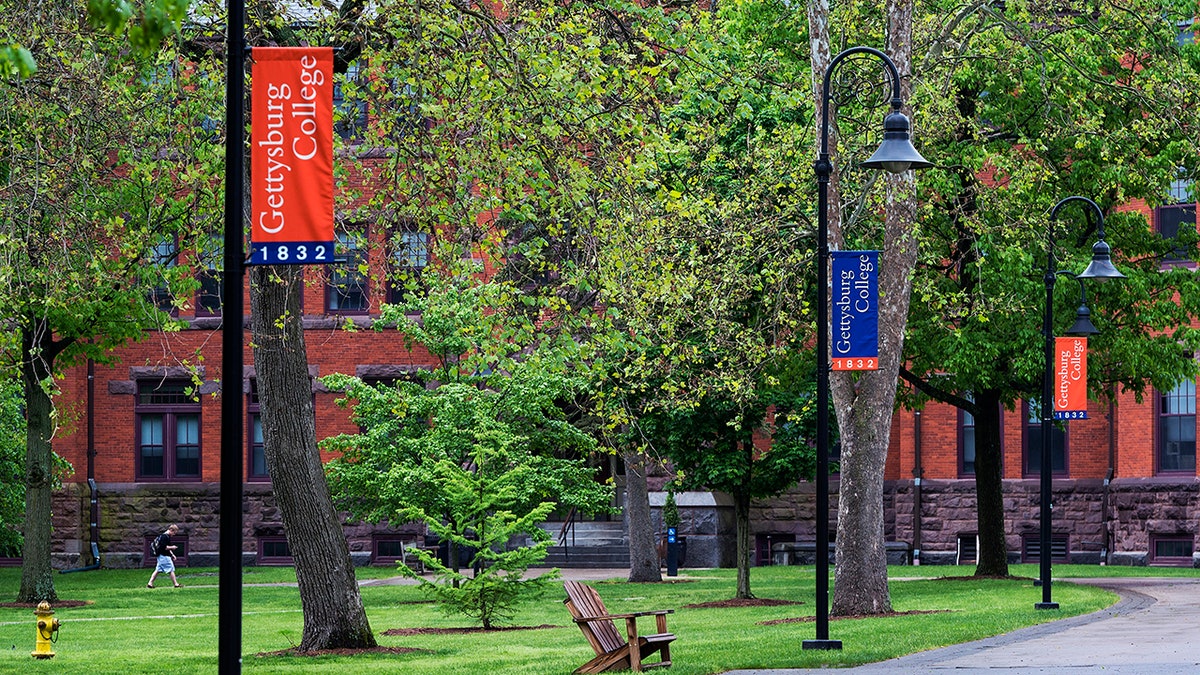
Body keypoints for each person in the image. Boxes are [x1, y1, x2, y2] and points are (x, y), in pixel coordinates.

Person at [147, 524, 182, 588]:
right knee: (171, 569)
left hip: (161, 556)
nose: (174, 535)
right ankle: (176, 584)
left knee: (157, 570)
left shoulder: (164, 536)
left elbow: (167, 547)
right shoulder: (164, 537)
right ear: (171, 530)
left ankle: (150, 583)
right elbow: (164, 547)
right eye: (174, 533)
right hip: (164, 556)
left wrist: (172, 554)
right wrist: (173, 547)